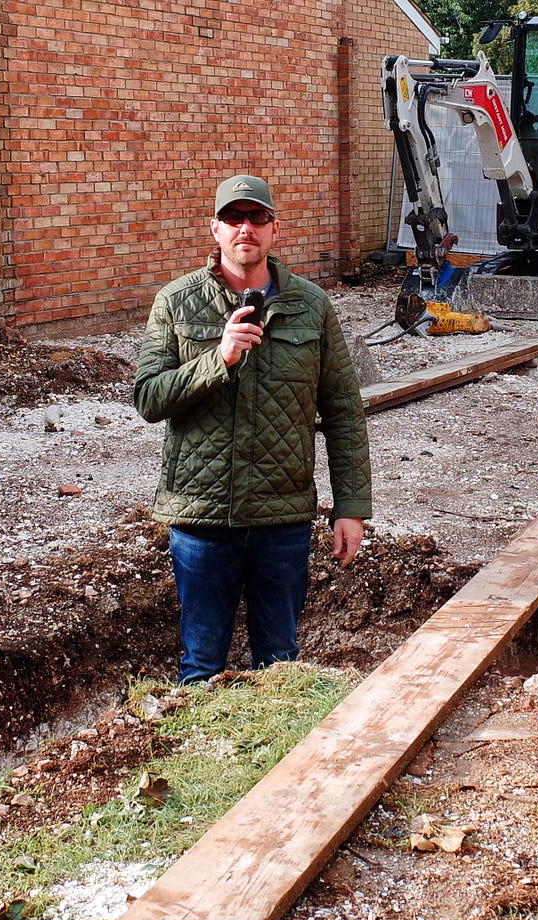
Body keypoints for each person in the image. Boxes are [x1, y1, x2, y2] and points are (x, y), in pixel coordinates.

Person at [132, 174, 372, 684]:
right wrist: (217, 357)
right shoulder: (176, 303)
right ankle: (199, 759)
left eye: (257, 218)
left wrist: (350, 508)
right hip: (201, 515)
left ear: (274, 230)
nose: (246, 228)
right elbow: (148, 398)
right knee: (201, 665)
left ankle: (279, 761)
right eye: (234, 219)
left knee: (280, 663)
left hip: (280, 517)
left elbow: (344, 412)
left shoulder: (311, 305)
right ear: (215, 229)